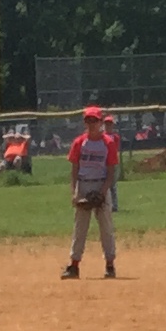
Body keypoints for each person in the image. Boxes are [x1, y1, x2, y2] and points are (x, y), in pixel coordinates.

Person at [62, 104, 120, 280]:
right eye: (88, 120)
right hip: (84, 184)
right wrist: (75, 193)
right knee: (80, 228)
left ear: (100, 121)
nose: (91, 123)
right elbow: (74, 170)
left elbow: (111, 172)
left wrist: (103, 192)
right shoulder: (80, 142)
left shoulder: (108, 143)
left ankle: (110, 266)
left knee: (106, 228)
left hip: (101, 184)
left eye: (94, 120)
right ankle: (74, 266)